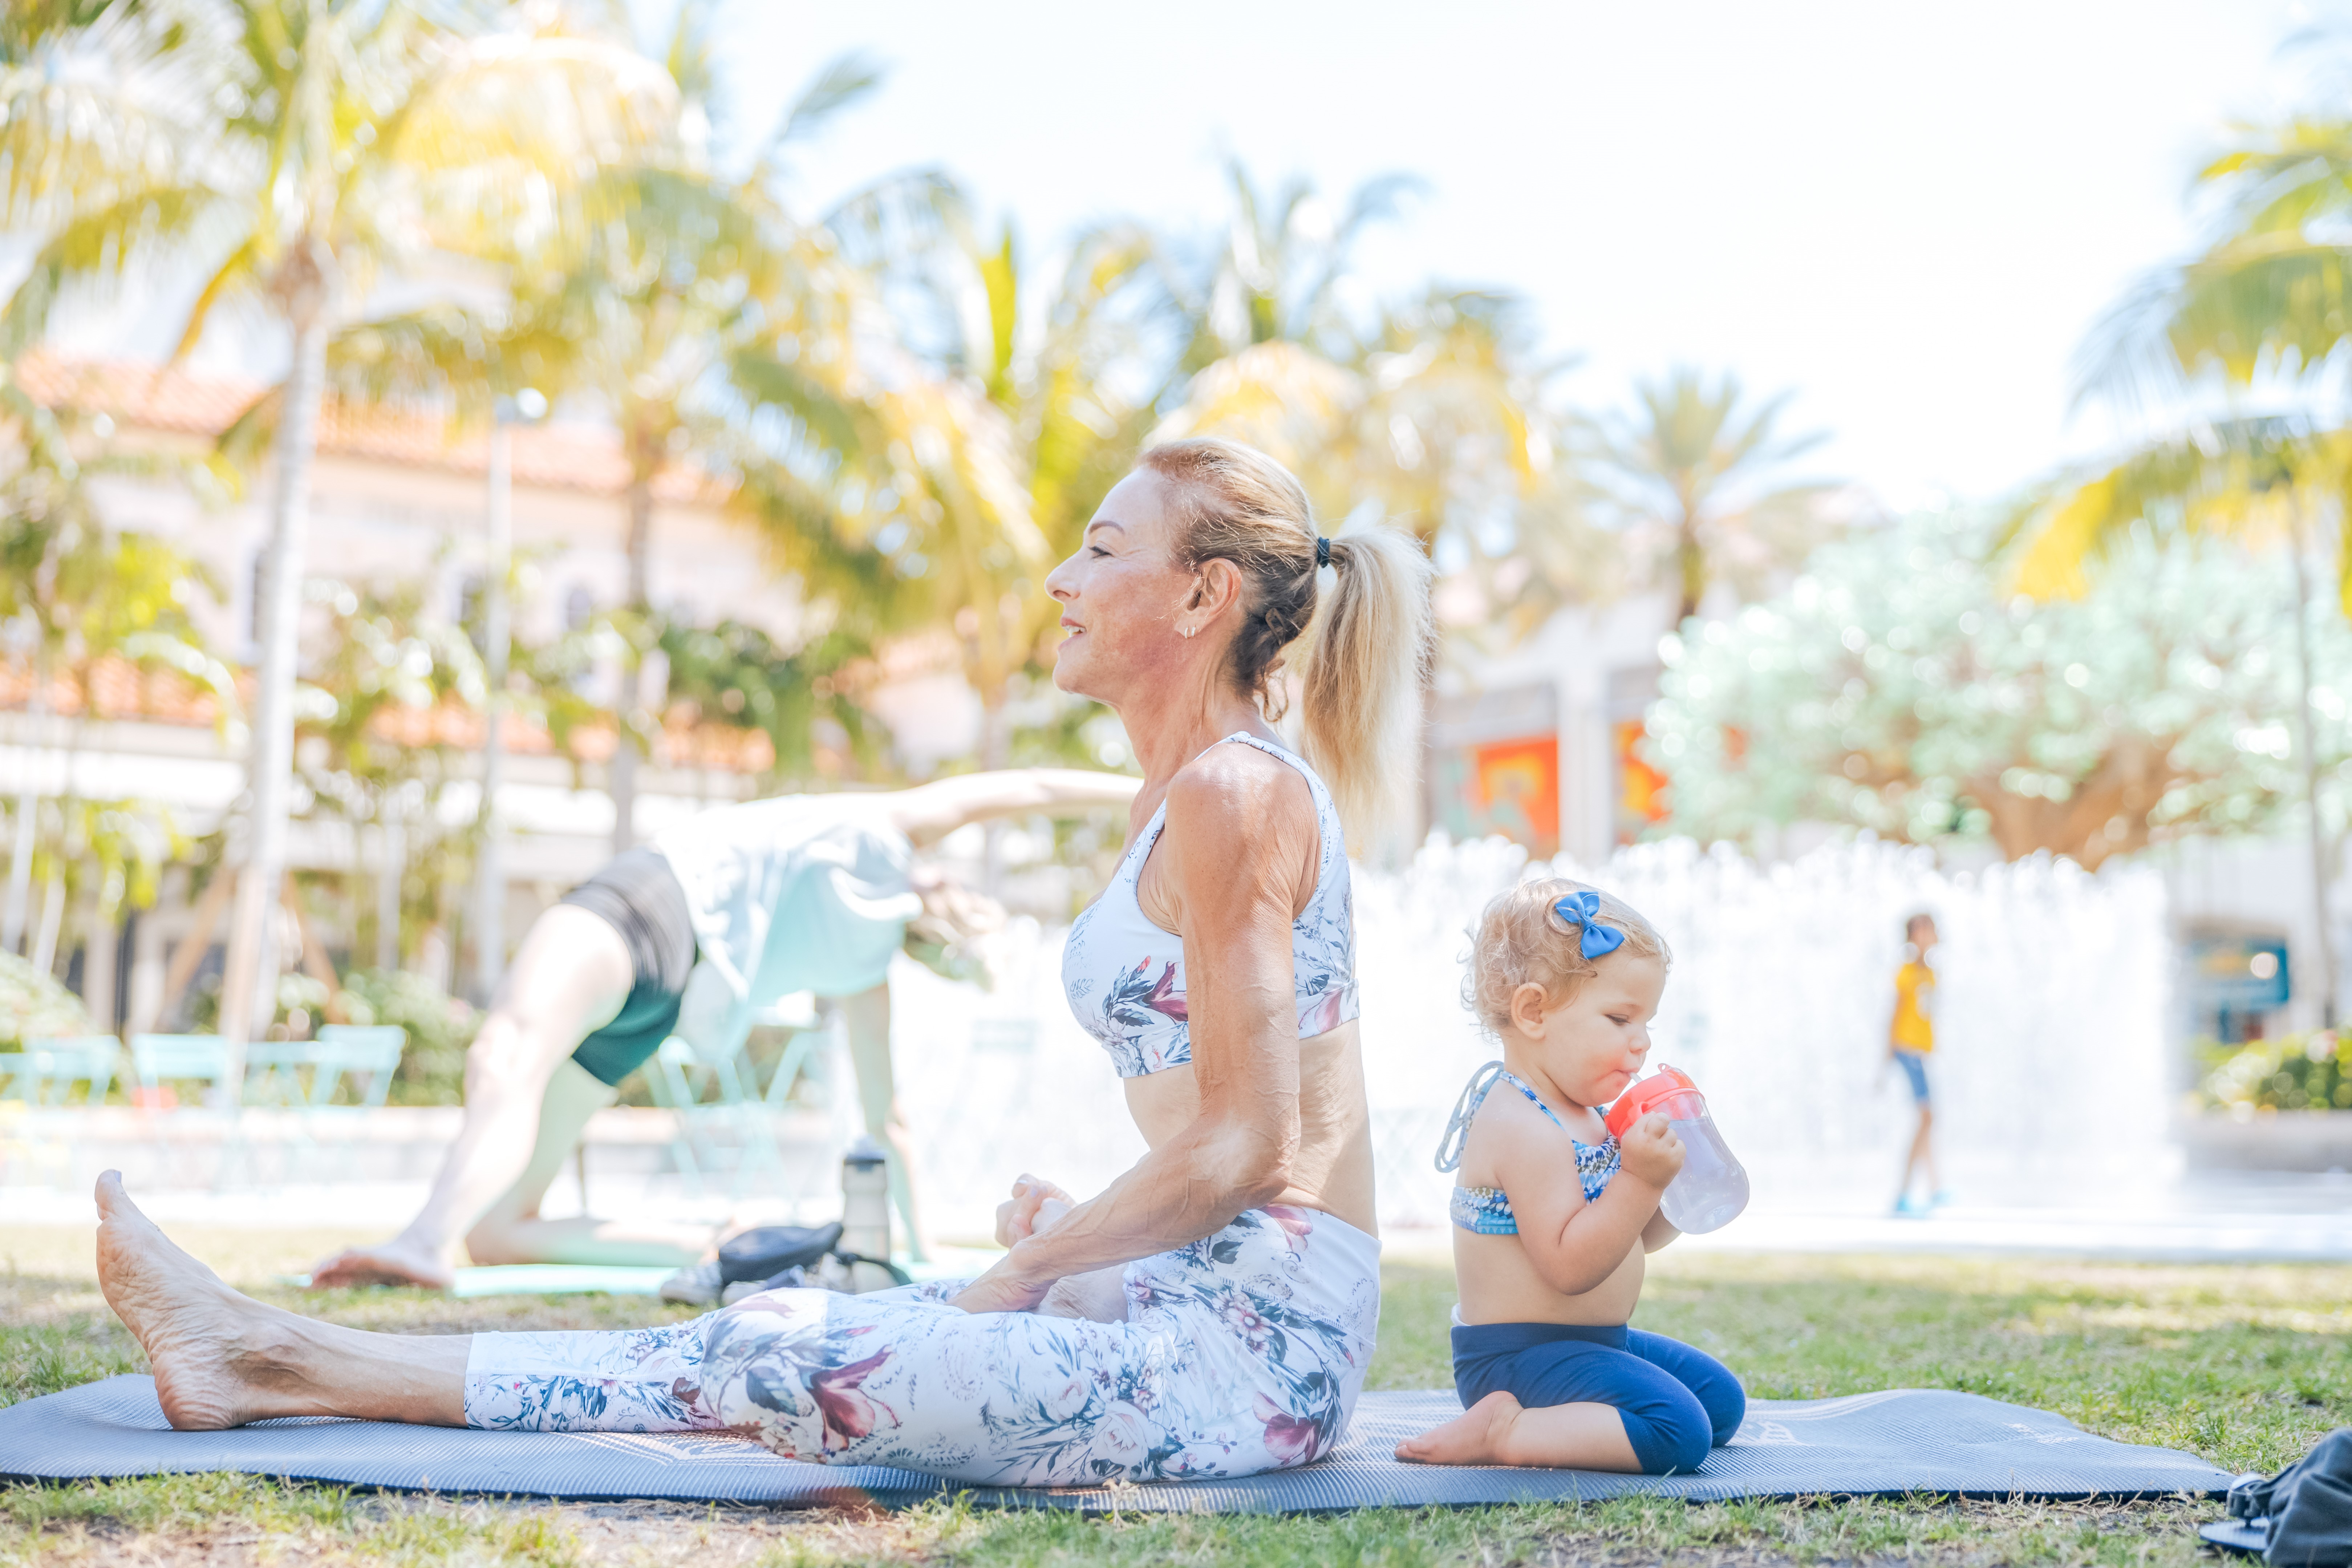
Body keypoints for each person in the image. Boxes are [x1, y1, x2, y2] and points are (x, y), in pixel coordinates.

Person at [95, 433, 1435, 1486]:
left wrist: (1036, 1267)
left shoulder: (1235, 794)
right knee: (791, 1319)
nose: (1060, 582)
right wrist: (1089, 1238)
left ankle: (272, 1355)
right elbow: (1256, 1131)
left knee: (786, 1359)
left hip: (1256, 1356)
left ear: (1203, 594)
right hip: (1180, 1306)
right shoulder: (1189, 794)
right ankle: (274, 1354)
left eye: (1098, 550)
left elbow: (1255, 1146)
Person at [308, 769, 1138, 1291]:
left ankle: (423, 1240)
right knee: (499, 1223)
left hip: (649, 914)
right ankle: (727, 1241)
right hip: (660, 985)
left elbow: (1028, 787)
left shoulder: (892, 842)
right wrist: (1151, 786)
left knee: (507, 1052)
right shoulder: (871, 958)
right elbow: (888, 1124)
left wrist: (1146, 783)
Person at [1396, 879, 1744, 1474]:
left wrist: (1667, 1185)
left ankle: (1545, 1423)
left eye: (1647, 1022)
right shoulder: (1519, 1122)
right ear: (1534, 1012)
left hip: (1589, 1343)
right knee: (1677, 1432)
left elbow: (1631, 1238)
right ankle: (1506, 1429)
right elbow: (1571, 1265)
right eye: (1619, 1018)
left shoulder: (1588, 1114)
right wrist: (1635, 1178)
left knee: (1720, 1403)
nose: (1642, 1043)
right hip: (1517, 1358)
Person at [1888, 911, 1947, 1216]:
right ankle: (1903, 1192)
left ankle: (1936, 1188)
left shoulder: (1929, 971)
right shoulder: (1908, 971)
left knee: (1927, 1119)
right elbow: (1895, 1012)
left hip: (1918, 1053)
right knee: (1927, 1117)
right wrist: (1888, 1051)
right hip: (1907, 1051)